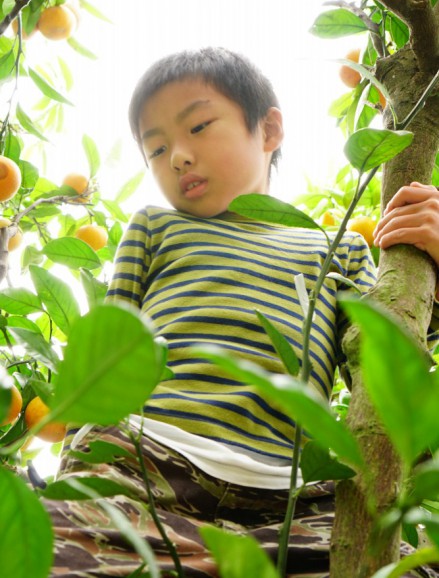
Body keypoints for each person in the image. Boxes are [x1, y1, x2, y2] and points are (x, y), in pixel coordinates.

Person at [48, 48, 439, 578]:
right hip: (145, 458)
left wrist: (428, 271)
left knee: (402, 563)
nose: (178, 156)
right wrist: (79, 458)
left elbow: (390, 348)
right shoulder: (155, 227)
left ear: (269, 129)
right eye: (156, 149)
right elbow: (108, 355)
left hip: (298, 492)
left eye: (199, 126)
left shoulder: (336, 246)